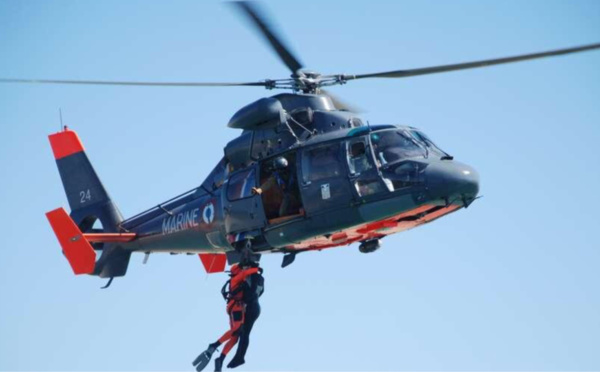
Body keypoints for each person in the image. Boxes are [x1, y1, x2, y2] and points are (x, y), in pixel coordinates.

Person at [192, 263, 259, 372]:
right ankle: (214, 345)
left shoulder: (235, 279)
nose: (242, 270)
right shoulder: (236, 278)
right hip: (236, 307)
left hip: (234, 308)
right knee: (237, 329)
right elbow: (246, 272)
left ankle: (221, 359)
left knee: (235, 337)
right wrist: (256, 268)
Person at [227, 261, 265, 368]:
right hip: (256, 306)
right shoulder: (261, 278)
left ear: (250, 267)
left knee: (244, 333)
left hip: (250, 306)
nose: (243, 269)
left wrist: (242, 292)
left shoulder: (250, 276)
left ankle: (239, 357)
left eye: (245, 267)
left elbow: (250, 293)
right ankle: (238, 357)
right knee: (245, 333)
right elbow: (261, 292)